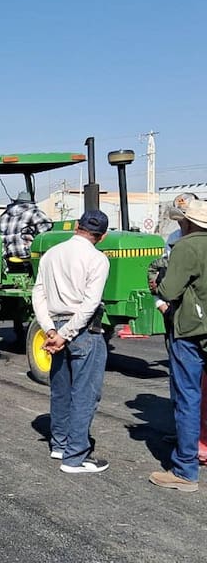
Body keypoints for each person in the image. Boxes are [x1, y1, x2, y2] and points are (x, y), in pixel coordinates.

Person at [32, 209, 111, 474]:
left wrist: (50, 330)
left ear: (77, 226)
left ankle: (60, 444)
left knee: (61, 389)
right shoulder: (98, 259)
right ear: (102, 236)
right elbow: (89, 304)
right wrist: (66, 335)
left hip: (55, 325)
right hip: (83, 330)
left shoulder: (51, 254)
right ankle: (75, 456)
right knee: (85, 393)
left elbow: (38, 294)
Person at [149, 199, 207, 492]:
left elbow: (169, 290)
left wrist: (157, 289)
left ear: (187, 222)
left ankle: (185, 470)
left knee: (188, 398)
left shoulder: (186, 247)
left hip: (190, 330)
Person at [0, 191, 53, 261]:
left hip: (8, 254)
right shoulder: (34, 212)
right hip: (26, 253)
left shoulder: (4, 215)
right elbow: (47, 226)